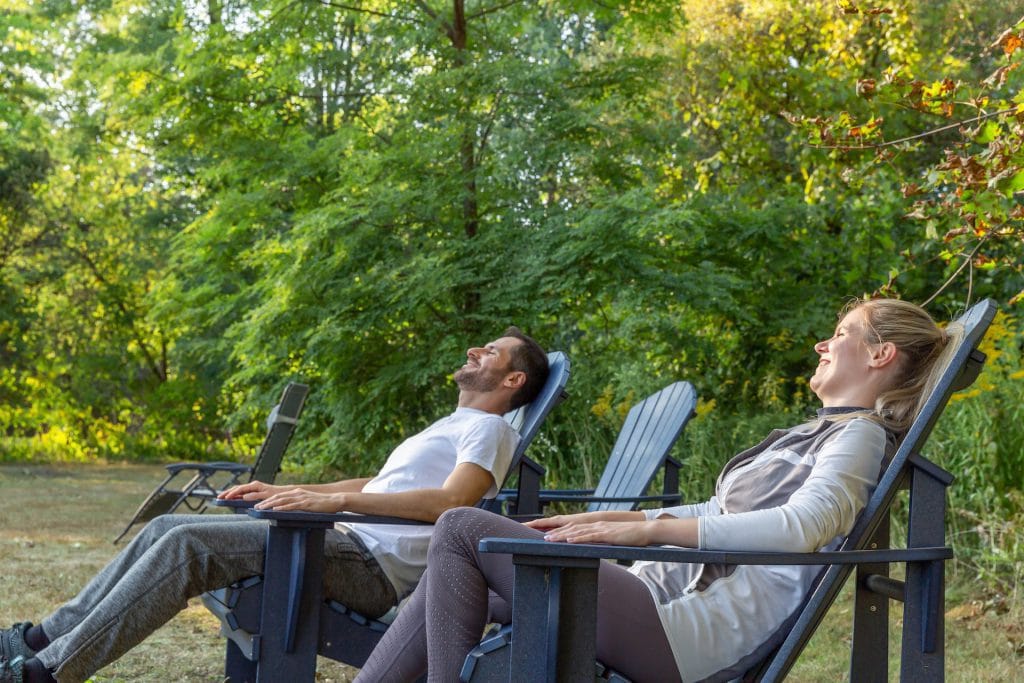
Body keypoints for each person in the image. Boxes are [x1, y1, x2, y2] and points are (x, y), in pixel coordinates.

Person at [355, 298, 963, 683]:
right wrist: (624, 520)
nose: (822, 344)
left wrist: (649, 530)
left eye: (840, 333)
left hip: (692, 631)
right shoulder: (818, 433)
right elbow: (721, 509)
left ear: (880, 354)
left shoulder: (857, 437)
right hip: (662, 598)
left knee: (462, 530)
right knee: (466, 576)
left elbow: (805, 526)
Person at [0, 327, 550, 683]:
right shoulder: (456, 424)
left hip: (369, 565)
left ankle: (46, 673)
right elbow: (385, 484)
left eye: (492, 351)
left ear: (512, 378)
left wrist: (331, 501)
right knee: (170, 525)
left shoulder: (489, 430)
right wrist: (305, 491)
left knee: (189, 543)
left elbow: (455, 503)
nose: (476, 349)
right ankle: (40, 639)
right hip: (347, 542)